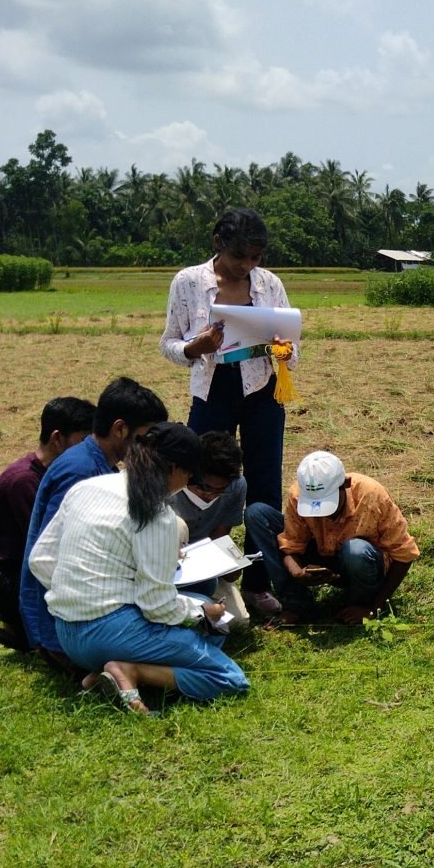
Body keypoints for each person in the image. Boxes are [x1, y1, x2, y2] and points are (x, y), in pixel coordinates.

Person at [26, 423, 247, 713]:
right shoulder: (156, 513)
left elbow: (40, 560)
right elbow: (157, 606)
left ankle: (108, 672)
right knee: (230, 677)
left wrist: (80, 594)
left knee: (207, 617)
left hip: (66, 632)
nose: (188, 482)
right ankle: (131, 671)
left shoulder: (86, 488)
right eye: (189, 475)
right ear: (173, 469)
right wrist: (200, 613)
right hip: (114, 631)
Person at [160, 207, 297, 615]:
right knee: (197, 480)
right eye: (240, 256)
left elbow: (292, 343)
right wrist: (193, 348)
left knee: (265, 487)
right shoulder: (188, 282)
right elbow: (168, 342)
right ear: (218, 243)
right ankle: (193, 575)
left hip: (262, 391)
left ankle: (257, 584)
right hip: (212, 389)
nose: (247, 266)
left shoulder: (270, 284)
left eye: (255, 257)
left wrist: (284, 350)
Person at [18, 377, 168, 663]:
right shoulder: (80, 472)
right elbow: (49, 558)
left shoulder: (98, 464)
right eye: (144, 438)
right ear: (120, 429)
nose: (149, 448)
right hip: (64, 627)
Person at [244, 451, 419, 626]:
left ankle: (361, 602)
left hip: (364, 563)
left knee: (356, 550)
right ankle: (298, 604)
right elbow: (291, 543)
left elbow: (405, 554)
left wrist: (374, 607)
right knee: (257, 514)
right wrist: (297, 572)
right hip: (322, 553)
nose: (322, 515)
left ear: (345, 484)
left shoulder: (371, 495)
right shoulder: (298, 493)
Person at [0, 396, 94, 652]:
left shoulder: (46, 473)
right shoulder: (24, 480)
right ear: (57, 438)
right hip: (3, 580)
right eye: (83, 441)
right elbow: (45, 543)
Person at [166, 431, 247, 546]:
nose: (211, 496)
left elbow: (219, 537)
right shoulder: (170, 484)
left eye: (220, 491)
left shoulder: (236, 486)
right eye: (205, 488)